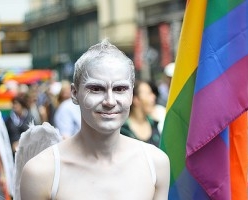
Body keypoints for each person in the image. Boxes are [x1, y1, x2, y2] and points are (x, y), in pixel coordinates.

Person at [19, 39, 170, 200]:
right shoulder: (42, 171)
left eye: (120, 89)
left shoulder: (155, 163)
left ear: (132, 94)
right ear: (74, 93)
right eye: (96, 89)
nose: (110, 101)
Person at [121, 80, 161, 147]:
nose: (154, 97)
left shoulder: (154, 124)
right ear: (136, 99)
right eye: (149, 93)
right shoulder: (123, 129)